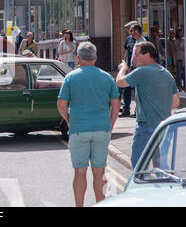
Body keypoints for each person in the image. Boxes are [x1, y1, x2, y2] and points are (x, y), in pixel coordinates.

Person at [57, 41, 120, 207]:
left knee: (80, 171)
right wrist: (111, 124)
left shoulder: (71, 77)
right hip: (101, 128)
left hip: (79, 129)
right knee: (99, 172)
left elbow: (61, 105)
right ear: (96, 57)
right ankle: (101, 204)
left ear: (78, 58)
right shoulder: (107, 77)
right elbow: (116, 105)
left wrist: (69, 120)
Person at [116, 41, 180, 169]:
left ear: (147, 55)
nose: (133, 58)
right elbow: (176, 102)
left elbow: (119, 82)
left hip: (145, 128)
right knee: (162, 169)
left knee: (138, 169)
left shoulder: (142, 72)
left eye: (136, 54)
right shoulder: (167, 74)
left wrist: (123, 68)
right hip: (163, 128)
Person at [120, 21, 137, 117]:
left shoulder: (142, 39)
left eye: (130, 29)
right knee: (126, 88)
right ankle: (126, 109)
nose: (128, 31)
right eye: (128, 30)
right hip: (129, 66)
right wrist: (124, 62)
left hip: (137, 67)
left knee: (136, 89)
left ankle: (137, 111)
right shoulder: (129, 39)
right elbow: (126, 51)